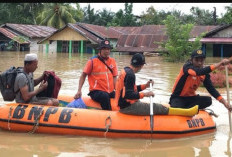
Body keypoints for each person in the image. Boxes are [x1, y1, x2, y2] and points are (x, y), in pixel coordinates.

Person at [115, 53, 199, 116]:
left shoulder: (126, 70)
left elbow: (130, 89)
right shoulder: (130, 75)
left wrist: (145, 86)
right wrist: (145, 94)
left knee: (155, 105)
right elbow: (128, 95)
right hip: (127, 107)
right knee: (156, 107)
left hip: (124, 104)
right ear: (141, 65)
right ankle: (187, 113)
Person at [74, 39, 118, 110]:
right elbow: (83, 75)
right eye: (104, 49)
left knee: (121, 96)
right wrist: (79, 90)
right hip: (96, 92)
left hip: (110, 91)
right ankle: (108, 114)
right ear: (100, 50)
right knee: (105, 96)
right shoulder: (92, 61)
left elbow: (115, 77)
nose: (107, 51)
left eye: (108, 49)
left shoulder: (112, 61)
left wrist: (118, 90)